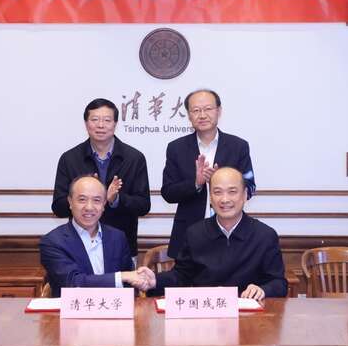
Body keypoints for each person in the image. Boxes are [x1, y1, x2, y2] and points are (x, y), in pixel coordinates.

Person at [145, 167, 286, 299]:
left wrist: (263, 290)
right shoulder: (195, 233)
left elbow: (278, 282)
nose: (225, 199)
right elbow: (181, 276)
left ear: (244, 195)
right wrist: (154, 281)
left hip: (248, 313)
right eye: (218, 192)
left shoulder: (265, 236)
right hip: (205, 311)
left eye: (232, 192)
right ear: (211, 198)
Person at [161, 89, 256, 258]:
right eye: (196, 110)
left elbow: (250, 187)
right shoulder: (176, 148)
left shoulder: (238, 146)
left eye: (208, 109)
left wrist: (224, 181)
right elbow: (168, 192)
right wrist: (196, 183)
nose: (202, 115)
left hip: (229, 231)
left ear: (219, 111)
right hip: (189, 232)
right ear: (189, 115)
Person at [52, 98, 151, 260]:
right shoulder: (69, 159)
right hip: (78, 247)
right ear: (86, 124)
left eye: (107, 120)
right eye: (95, 119)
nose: (100, 125)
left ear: (115, 124)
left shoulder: (134, 158)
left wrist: (116, 199)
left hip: (121, 246)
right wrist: (82, 197)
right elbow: (58, 207)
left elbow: (143, 206)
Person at [41, 175, 155, 297]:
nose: (89, 207)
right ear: (70, 202)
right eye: (82, 199)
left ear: (104, 204)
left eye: (96, 200)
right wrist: (121, 277)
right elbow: (72, 283)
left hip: (113, 307)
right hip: (73, 307)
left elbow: (129, 285)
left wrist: (141, 282)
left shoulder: (117, 237)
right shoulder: (53, 242)